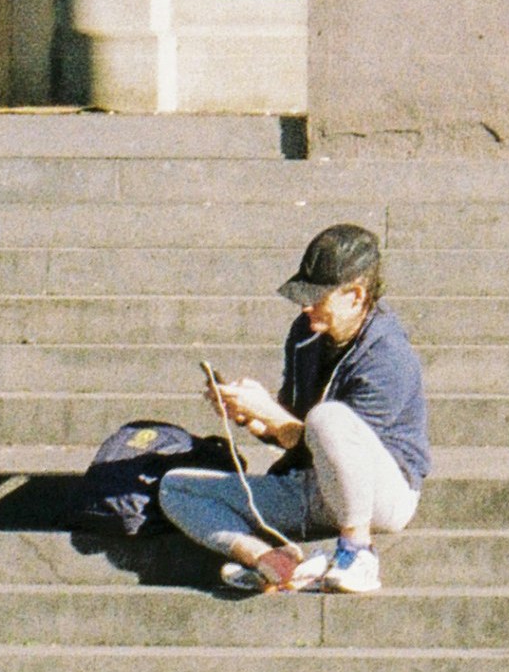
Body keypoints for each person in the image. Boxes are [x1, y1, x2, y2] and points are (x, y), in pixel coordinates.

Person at [162, 223, 426, 596]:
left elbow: (330, 445)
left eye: (318, 296)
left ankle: (358, 553)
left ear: (355, 296)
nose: (305, 306)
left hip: (381, 493)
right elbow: (293, 435)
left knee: (328, 417)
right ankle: (273, 562)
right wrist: (250, 417)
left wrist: (271, 413)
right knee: (176, 488)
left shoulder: (388, 356)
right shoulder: (305, 333)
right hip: (310, 486)